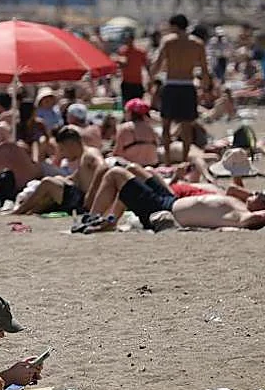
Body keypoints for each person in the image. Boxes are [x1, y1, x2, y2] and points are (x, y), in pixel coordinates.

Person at [80, 165, 265, 232]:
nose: (254, 193)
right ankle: (110, 221)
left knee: (115, 173)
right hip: (169, 199)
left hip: (163, 211)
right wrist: (252, 197)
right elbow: (234, 188)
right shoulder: (240, 203)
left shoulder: (243, 215)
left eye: (260, 195)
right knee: (133, 168)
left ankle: (91, 218)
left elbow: (257, 218)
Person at [150, 14, 211, 163]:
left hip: (171, 84)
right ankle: (185, 160)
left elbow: (156, 65)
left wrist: (152, 77)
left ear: (174, 26)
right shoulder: (197, 43)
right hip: (188, 85)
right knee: (186, 126)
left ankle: (168, 161)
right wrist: (205, 88)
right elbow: (205, 70)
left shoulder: (168, 41)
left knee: (166, 125)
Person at [112, 98, 160, 167]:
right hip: (152, 166)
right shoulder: (152, 129)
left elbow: (117, 153)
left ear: (130, 112)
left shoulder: (125, 128)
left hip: (133, 168)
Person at [115, 32, 148, 103]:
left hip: (137, 83)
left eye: (129, 39)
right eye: (126, 39)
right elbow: (119, 66)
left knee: (138, 105)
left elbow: (146, 65)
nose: (128, 41)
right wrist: (119, 62)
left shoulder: (140, 52)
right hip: (127, 83)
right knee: (127, 105)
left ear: (133, 39)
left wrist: (150, 78)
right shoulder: (122, 51)